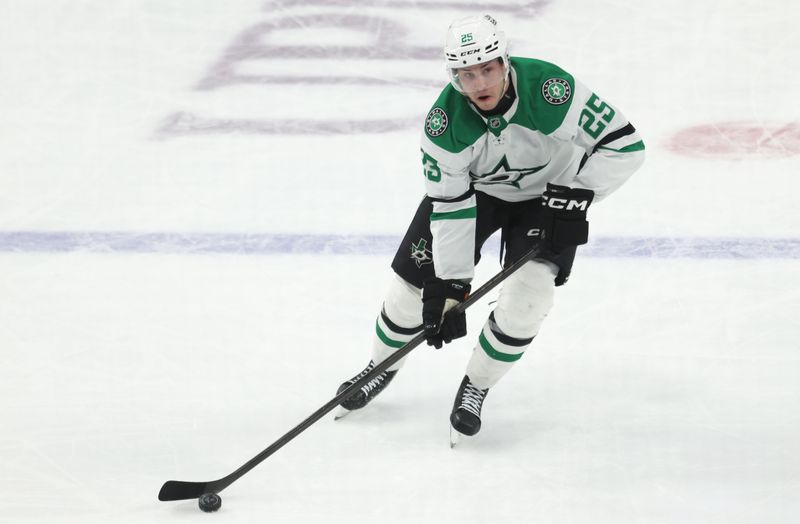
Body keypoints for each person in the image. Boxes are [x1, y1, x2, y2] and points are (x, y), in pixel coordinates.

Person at [336, 14, 645, 441]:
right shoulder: (443, 127)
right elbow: (450, 205)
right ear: (454, 76)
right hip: (476, 195)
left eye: (487, 69)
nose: (479, 83)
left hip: (548, 197)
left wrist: (579, 194)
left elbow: (625, 146)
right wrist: (451, 283)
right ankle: (379, 366)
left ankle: (476, 386)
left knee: (529, 297)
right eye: (466, 74)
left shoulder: (550, 91)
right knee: (412, 290)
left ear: (504, 62)